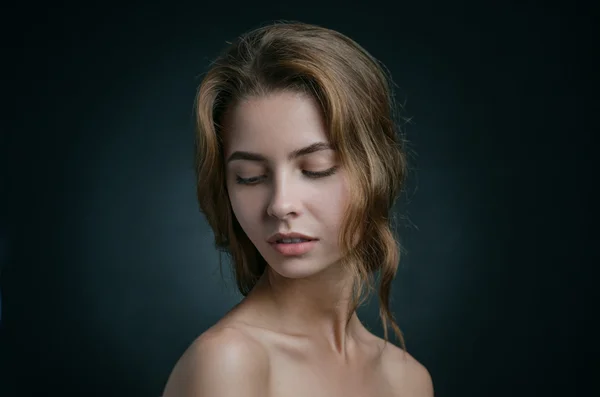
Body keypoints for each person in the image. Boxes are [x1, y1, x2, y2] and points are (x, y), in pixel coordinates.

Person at [163, 20, 434, 397]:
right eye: (250, 176)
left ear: (376, 169)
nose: (280, 205)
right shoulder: (228, 362)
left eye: (315, 169)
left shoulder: (408, 379)